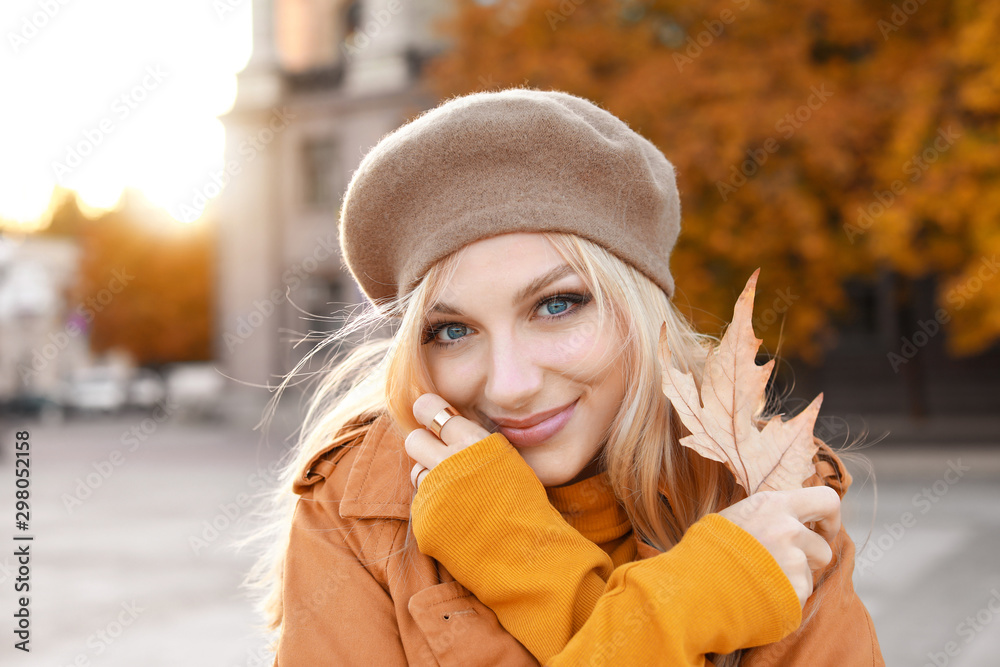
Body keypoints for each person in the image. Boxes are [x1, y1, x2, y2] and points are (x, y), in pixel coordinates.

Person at [250, 88, 885, 666]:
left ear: (637, 309)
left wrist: (517, 554)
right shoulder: (363, 501)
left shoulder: (758, 489)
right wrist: (691, 603)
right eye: (452, 331)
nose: (510, 385)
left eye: (557, 305)